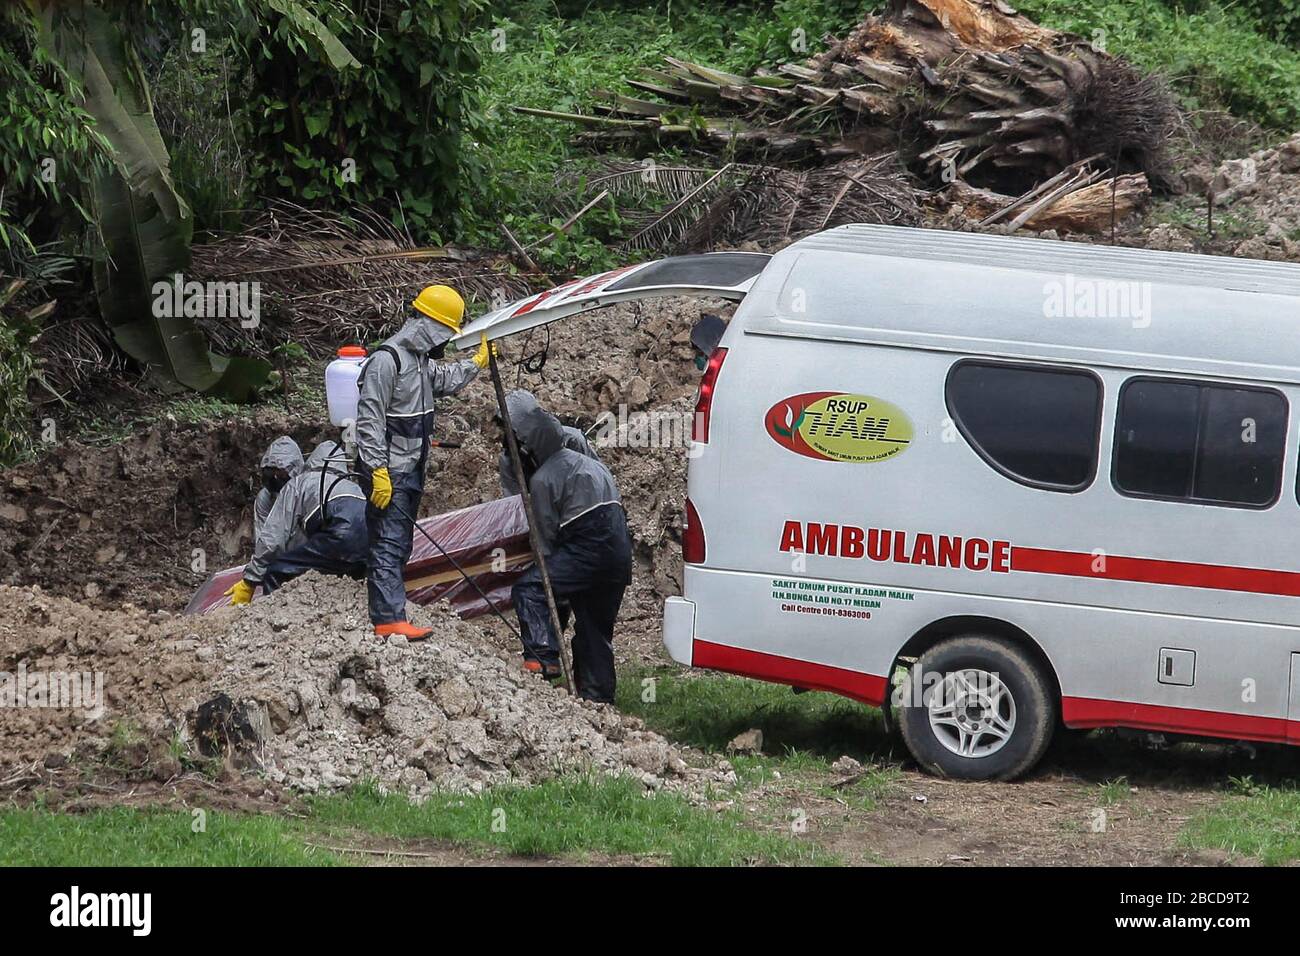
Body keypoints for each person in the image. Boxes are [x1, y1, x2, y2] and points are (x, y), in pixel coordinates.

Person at [355, 284, 492, 640]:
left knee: (400, 541)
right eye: (444, 333)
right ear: (427, 325)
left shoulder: (418, 361)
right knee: (387, 540)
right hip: (389, 470)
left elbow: (442, 380)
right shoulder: (387, 361)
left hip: (412, 465)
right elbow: (369, 420)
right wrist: (377, 470)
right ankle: (387, 618)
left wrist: (473, 365)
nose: (444, 342)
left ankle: (393, 607)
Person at [508, 399, 632, 703]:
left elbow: (545, 537)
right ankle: (597, 699)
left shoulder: (542, 479)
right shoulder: (593, 465)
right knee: (594, 631)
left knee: (530, 587)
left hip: (586, 545)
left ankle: (542, 656)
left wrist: (554, 579)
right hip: (618, 554)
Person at [225, 441, 368, 604]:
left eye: (280, 473)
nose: (275, 479)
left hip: (339, 532)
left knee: (277, 573)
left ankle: (270, 622)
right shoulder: (351, 486)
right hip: (368, 541)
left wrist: (250, 581)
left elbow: (272, 540)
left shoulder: (299, 483)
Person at [494, 389, 599, 497]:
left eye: (511, 430)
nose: (506, 435)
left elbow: (595, 480)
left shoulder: (571, 440)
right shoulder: (509, 460)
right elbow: (515, 499)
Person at [254, 436, 304, 539]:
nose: (275, 477)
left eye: (280, 473)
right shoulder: (265, 498)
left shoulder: (306, 496)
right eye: (271, 471)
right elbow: (263, 536)